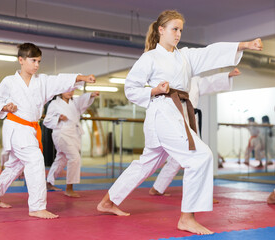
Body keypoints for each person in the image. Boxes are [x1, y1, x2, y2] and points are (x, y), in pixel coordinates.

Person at [96, 10, 262, 235]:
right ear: (161, 30)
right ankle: (187, 217)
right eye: (174, 29)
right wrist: (154, 90)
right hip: (163, 112)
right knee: (201, 156)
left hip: (176, 113)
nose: (178, 34)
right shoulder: (150, 58)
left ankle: (108, 201)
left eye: (181, 30)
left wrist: (243, 45)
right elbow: (131, 88)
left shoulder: (184, 56)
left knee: (146, 164)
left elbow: (209, 53)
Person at [0, 42, 96, 219]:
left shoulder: (42, 82)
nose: (37, 65)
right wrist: (6, 106)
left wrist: (82, 78)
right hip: (16, 128)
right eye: (33, 60)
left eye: (39, 61)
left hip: (29, 129)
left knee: (15, 167)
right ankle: (37, 206)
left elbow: (60, 80)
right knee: (36, 160)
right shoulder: (9, 81)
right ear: (21, 60)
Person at [149, 68, 241, 197]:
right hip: (174, 120)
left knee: (186, 157)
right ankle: (197, 194)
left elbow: (210, 82)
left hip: (190, 120)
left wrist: (228, 75)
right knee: (192, 156)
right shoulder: (171, 78)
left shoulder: (194, 80)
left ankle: (159, 188)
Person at [43, 91, 99, 197]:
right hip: (61, 133)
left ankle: (49, 183)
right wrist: (58, 118)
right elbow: (47, 120)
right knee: (75, 157)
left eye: (72, 90)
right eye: (67, 90)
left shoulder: (74, 102)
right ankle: (69, 188)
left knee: (62, 158)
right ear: (61, 92)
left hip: (73, 133)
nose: (70, 92)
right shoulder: (55, 104)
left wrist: (91, 95)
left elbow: (83, 100)